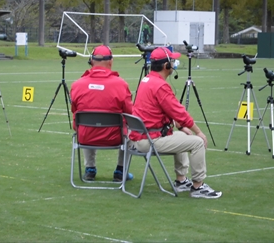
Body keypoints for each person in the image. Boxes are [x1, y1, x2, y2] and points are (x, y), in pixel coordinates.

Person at [129, 47, 222, 199]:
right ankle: (198, 186)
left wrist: (180, 126)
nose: (174, 63)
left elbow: (162, 110)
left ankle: (181, 181)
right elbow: (179, 112)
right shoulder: (160, 85)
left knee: (180, 135)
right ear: (166, 66)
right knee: (197, 142)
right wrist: (198, 132)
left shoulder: (147, 80)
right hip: (149, 139)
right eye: (172, 61)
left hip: (141, 136)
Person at [70, 45, 134, 182]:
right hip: (114, 137)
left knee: (84, 125)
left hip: (86, 137)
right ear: (111, 61)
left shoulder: (77, 85)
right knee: (130, 131)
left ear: (91, 61)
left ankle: (90, 169)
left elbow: (75, 111)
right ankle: (120, 170)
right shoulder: (121, 84)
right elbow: (130, 113)